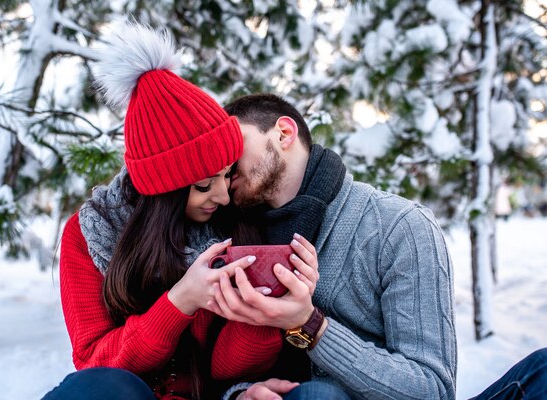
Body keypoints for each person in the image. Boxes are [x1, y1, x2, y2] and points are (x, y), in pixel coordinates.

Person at [43, 24, 319, 400]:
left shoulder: (232, 223)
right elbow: (94, 365)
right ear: (163, 193)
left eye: (227, 176)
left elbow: (226, 368)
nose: (223, 196)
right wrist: (180, 302)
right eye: (204, 185)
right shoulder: (92, 233)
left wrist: (267, 307)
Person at [206, 94, 457, 400]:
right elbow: (211, 367)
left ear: (284, 133)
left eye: (235, 142)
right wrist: (239, 395)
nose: (227, 163)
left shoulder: (399, 226)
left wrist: (310, 326)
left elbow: (433, 390)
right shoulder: (234, 235)